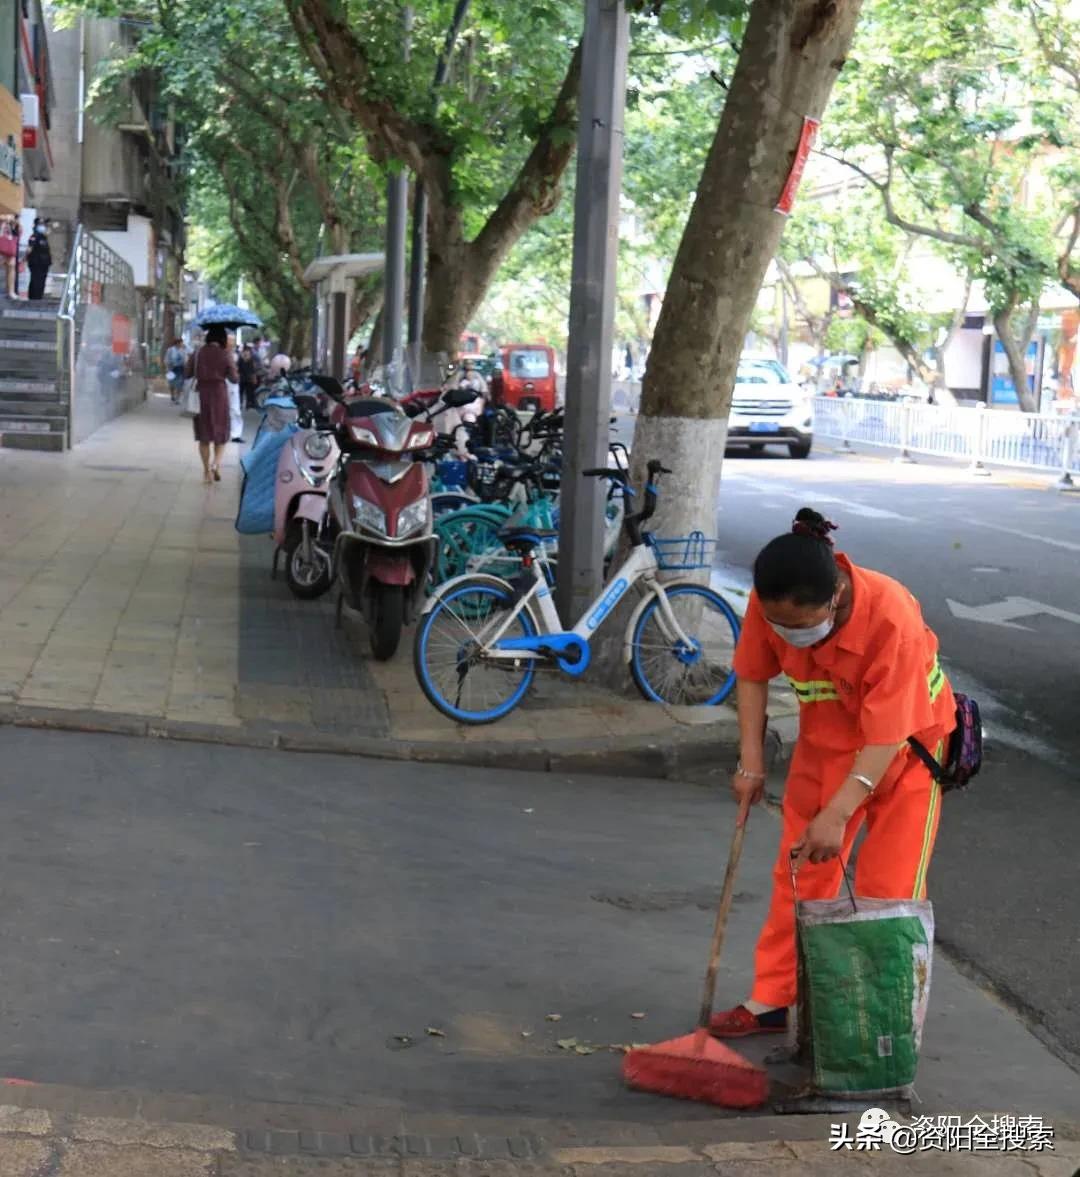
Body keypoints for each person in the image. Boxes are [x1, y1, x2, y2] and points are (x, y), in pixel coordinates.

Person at [711, 508, 955, 1039]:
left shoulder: (892, 616)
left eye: (800, 626)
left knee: (885, 893)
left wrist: (839, 814)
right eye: (779, 625)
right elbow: (751, 676)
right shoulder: (772, 599)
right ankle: (774, 1000)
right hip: (826, 748)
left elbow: (888, 735)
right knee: (798, 874)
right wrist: (750, 763)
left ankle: (876, 1023)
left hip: (907, 753)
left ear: (836, 597)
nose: (789, 635)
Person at [186, 325, 238, 485]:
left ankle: (206, 471)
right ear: (222, 339)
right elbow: (234, 378)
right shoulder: (226, 354)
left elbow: (188, 373)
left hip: (201, 395)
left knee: (204, 435)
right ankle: (216, 464)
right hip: (219, 395)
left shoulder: (198, 353)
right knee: (220, 433)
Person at [26, 218, 51, 300]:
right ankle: (34, 297)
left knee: (42, 281)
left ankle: (39, 297)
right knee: (36, 280)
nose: (43, 227)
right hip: (36, 263)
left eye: (43, 225)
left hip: (44, 263)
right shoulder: (34, 236)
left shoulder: (44, 237)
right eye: (41, 225)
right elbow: (29, 249)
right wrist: (25, 258)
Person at [164, 338, 187, 404]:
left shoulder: (183, 350)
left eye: (182, 343)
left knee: (179, 384)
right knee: (171, 384)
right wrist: (168, 366)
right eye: (181, 343)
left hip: (180, 369)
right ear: (177, 343)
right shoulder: (170, 350)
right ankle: (172, 395)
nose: (182, 344)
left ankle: (178, 398)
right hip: (171, 369)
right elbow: (166, 359)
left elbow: (185, 359)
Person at [0, 217, 18, 298]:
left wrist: (11, 221)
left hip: (9, 248)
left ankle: (11, 291)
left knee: (11, 267)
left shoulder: (11, 225)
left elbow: (19, 229)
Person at [237, 343, 259, 409]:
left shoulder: (240, 359)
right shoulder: (250, 359)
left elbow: (238, 368)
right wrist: (254, 378)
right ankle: (248, 404)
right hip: (248, 379)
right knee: (248, 392)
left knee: (241, 392)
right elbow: (253, 370)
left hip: (242, 378)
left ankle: (240, 404)